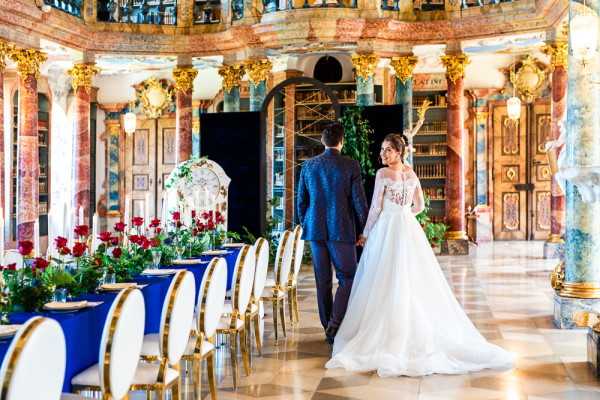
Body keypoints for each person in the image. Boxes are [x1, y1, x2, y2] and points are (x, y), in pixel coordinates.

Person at [326, 133, 514, 377]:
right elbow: (420, 207)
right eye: (382, 150)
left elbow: (374, 208)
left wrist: (366, 233)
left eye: (388, 150)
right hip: (406, 226)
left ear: (398, 152)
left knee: (384, 276)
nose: (382, 154)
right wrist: (405, 215)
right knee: (409, 276)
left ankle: (388, 332)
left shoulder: (383, 175)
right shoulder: (411, 174)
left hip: (388, 227)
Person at [296, 122, 369, 345]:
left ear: (322, 141)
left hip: (315, 230)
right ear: (342, 141)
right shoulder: (350, 165)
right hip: (342, 230)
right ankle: (335, 325)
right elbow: (359, 201)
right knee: (348, 277)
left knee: (323, 281)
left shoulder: (308, 166)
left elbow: (301, 202)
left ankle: (328, 325)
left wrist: (307, 223)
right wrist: (364, 229)